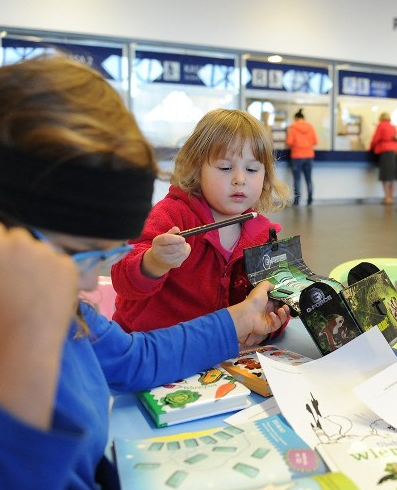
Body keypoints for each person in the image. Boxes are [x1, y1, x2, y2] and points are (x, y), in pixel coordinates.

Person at [0, 57, 289, 490]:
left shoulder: (50, 295)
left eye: (103, 256)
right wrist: (19, 349)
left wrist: (239, 319)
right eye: (80, 255)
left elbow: (133, 359)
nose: (93, 284)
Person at [111, 108, 290, 334]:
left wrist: (269, 325)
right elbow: (123, 279)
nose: (240, 180)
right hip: (150, 345)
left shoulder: (263, 234)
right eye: (225, 167)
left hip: (215, 350)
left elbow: (278, 300)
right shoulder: (172, 215)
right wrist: (153, 262)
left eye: (252, 169)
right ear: (196, 168)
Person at [285, 109, 318, 205]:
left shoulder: (293, 128)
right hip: (309, 155)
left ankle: (297, 201)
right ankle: (310, 199)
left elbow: (289, 142)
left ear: (296, 118)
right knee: (308, 179)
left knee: (297, 179)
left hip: (297, 156)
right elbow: (315, 141)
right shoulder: (310, 127)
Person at [369, 112, 397, 205]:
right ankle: (391, 196)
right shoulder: (393, 127)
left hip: (385, 152)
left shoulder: (380, 125)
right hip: (395, 151)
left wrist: (370, 148)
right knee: (393, 176)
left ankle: (387, 197)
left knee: (385, 176)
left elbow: (375, 138)